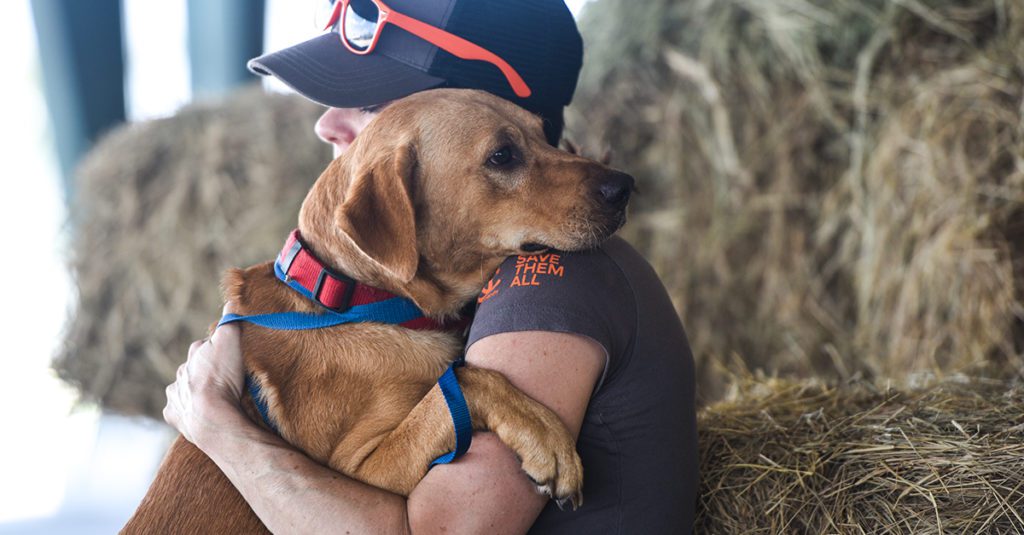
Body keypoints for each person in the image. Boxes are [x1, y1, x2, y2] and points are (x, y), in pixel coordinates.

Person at [163, 0, 698, 532]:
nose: (327, 123)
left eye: (370, 103)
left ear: (476, 103)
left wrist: (217, 428)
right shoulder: (406, 307)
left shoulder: (546, 285)